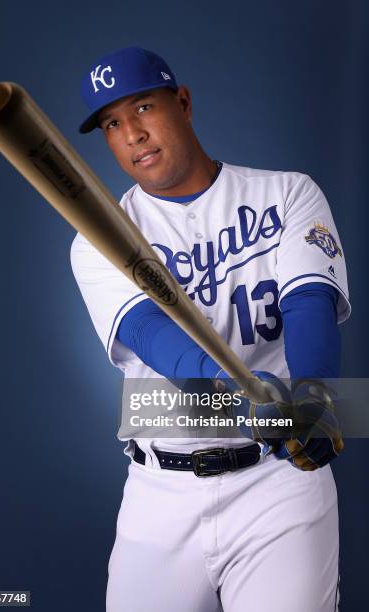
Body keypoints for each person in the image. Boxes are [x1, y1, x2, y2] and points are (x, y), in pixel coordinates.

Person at [70, 46, 350, 612]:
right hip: (160, 490)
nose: (132, 134)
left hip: (279, 480)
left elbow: (308, 302)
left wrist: (314, 393)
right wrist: (239, 391)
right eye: (113, 124)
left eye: (144, 107)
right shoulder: (98, 235)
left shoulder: (289, 193)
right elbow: (152, 335)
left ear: (184, 102)